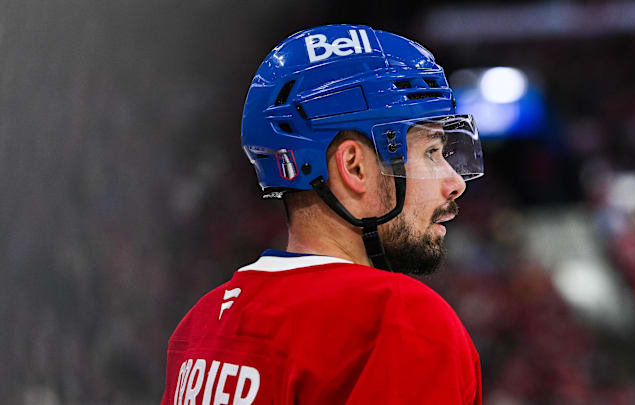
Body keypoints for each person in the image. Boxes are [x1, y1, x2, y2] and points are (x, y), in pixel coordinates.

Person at [161, 24, 485, 404]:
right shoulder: (397, 318)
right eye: (431, 152)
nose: (454, 182)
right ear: (354, 166)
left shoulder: (199, 327)